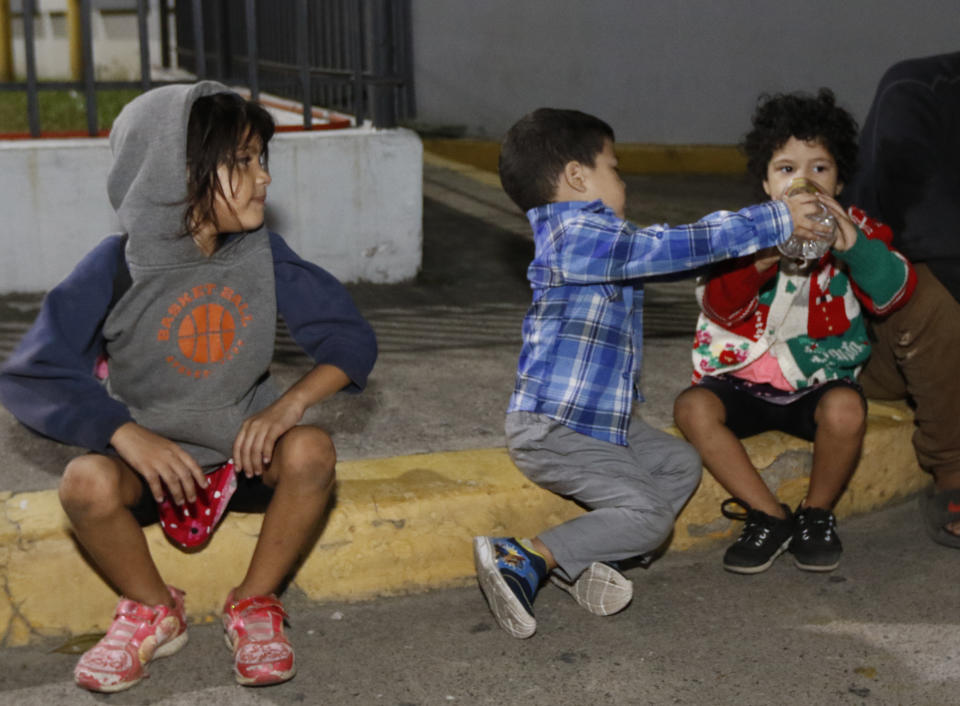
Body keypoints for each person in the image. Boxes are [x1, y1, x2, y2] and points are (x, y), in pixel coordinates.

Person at [0, 82, 377, 692]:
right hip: (150, 467)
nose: (263, 178)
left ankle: (253, 604)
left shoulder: (263, 254)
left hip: (242, 459)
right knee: (83, 483)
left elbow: (350, 340)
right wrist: (124, 434)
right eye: (243, 162)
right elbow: (33, 373)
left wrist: (286, 407)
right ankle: (152, 609)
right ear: (176, 174)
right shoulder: (116, 266)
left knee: (312, 450)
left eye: (262, 160)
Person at [473, 107, 831, 639]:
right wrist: (775, 218)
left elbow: (675, 259)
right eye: (613, 169)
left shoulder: (597, 243)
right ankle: (526, 556)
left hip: (598, 421)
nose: (623, 181)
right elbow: (669, 246)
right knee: (649, 518)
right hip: (555, 426)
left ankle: (593, 559)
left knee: (678, 464)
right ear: (577, 177)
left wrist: (756, 249)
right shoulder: (576, 237)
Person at [673, 89, 915, 575]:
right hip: (740, 379)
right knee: (691, 408)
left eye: (819, 168)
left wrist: (852, 243)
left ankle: (816, 513)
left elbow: (893, 292)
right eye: (786, 168)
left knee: (847, 409)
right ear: (765, 183)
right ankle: (767, 514)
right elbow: (720, 305)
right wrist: (764, 254)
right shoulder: (740, 231)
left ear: (840, 179)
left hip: (816, 381)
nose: (803, 180)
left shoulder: (856, 227)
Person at [842, 52, 960, 547]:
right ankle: (953, 471)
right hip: (877, 335)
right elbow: (927, 238)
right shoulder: (916, 90)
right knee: (927, 290)